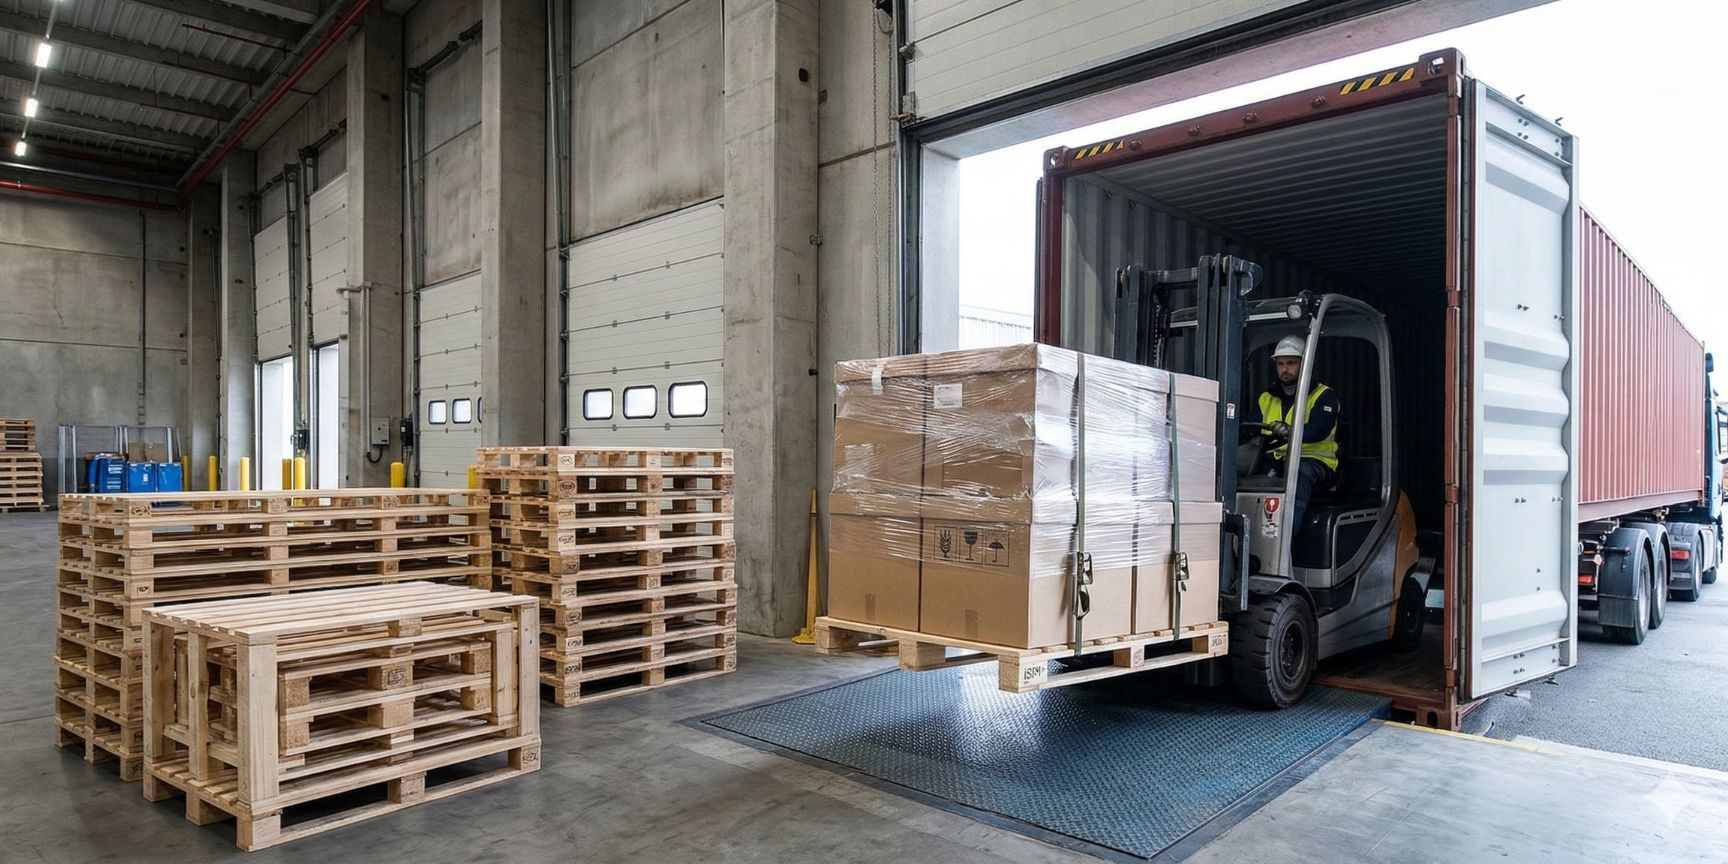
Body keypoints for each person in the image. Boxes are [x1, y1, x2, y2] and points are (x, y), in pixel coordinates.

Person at [1257, 335, 1339, 533]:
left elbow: (1318, 429)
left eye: (1291, 363)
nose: (1285, 369)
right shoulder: (1266, 397)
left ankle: (1286, 540)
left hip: (1315, 461)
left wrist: (1288, 431)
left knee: (1296, 473)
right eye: (1281, 364)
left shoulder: (1324, 395)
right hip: (1278, 458)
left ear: (1305, 364)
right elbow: (1250, 427)